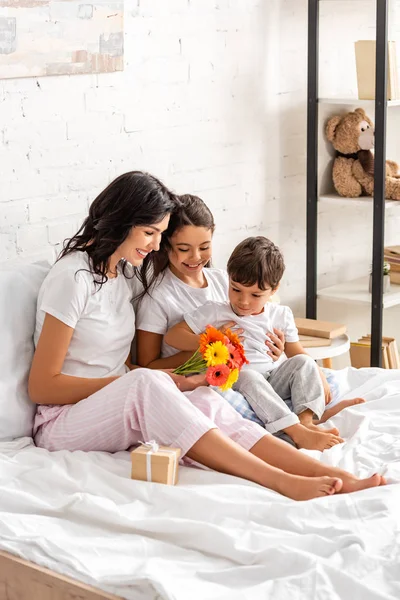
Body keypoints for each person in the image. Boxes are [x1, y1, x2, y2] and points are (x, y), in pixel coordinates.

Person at [28, 173, 382, 501]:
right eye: (150, 233)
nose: (155, 246)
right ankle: (281, 481)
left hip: (109, 404)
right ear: (122, 221)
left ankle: (321, 469)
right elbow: (42, 387)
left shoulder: (122, 274)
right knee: (146, 384)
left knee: (205, 400)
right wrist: (146, 377)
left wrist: (179, 379)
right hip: (62, 420)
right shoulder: (72, 278)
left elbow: (123, 367)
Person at [165, 236, 363, 451]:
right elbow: (173, 336)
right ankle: (295, 431)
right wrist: (213, 339)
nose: (243, 301)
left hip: (272, 382)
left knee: (304, 362)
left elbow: (296, 352)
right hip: (239, 384)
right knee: (248, 375)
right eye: (236, 289)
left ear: (274, 290)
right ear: (229, 279)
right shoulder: (214, 311)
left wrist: (318, 372)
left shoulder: (280, 314)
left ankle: (306, 421)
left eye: (256, 294)